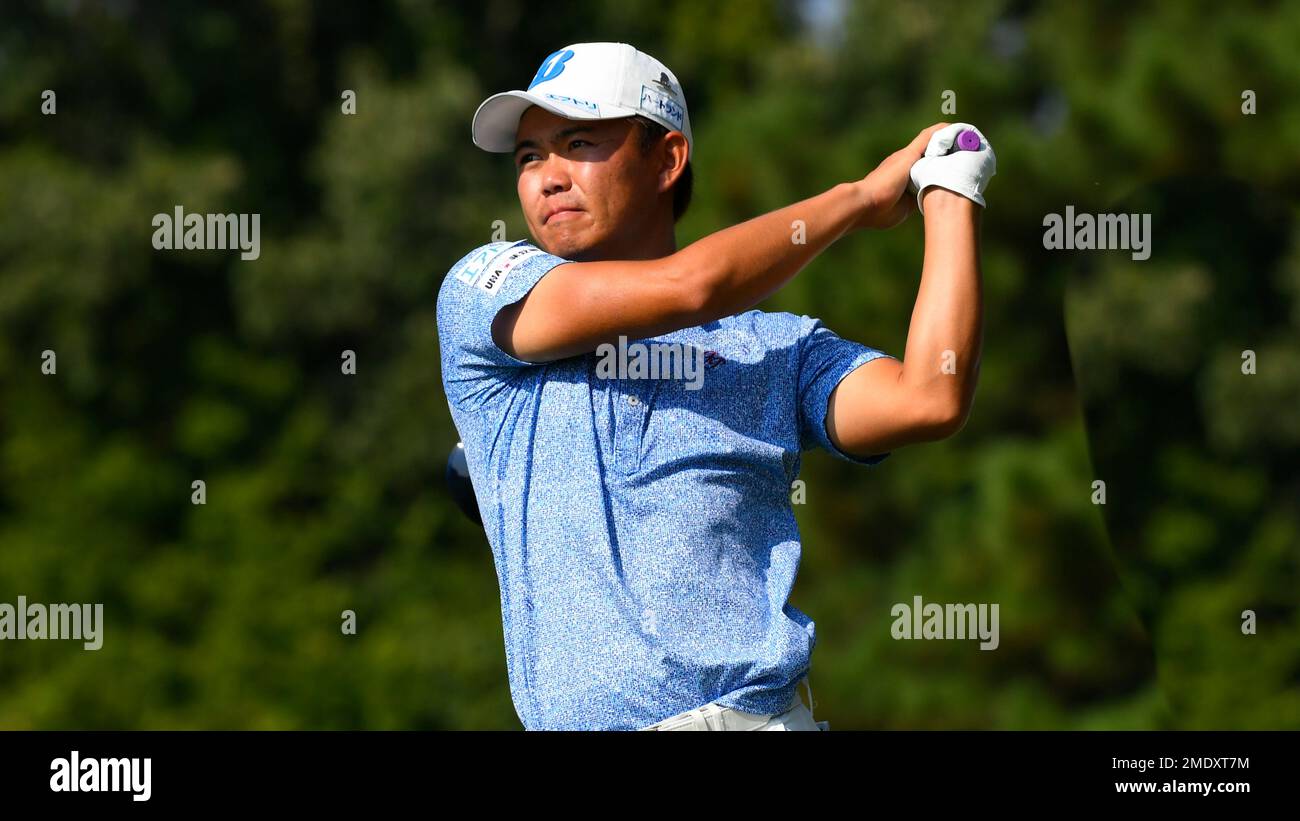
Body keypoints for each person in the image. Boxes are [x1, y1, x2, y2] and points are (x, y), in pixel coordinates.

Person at [436, 41, 994, 730]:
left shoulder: (774, 348)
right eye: (528, 156)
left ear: (668, 159)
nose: (546, 177)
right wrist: (857, 200)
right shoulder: (484, 294)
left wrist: (950, 197)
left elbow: (928, 397)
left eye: (578, 142)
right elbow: (691, 286)